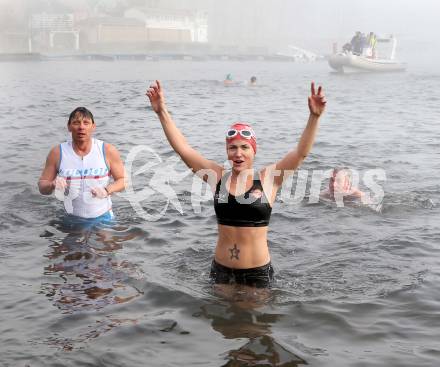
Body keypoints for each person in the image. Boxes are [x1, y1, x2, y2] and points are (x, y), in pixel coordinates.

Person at [146, 80, 326, 288]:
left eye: (244, 147)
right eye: (232, 148)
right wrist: (162, 112)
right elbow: (184, 150)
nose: (238, 153)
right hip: (221, 273)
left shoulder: (269, 178)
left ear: (253, 151)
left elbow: (300, 153)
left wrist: (314, 117)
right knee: (221, 321)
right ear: (227, 151)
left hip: (257, 275)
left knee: (251, 322)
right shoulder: (217, 177)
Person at [38, 107, 125, 222]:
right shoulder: (57, 153)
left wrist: (106, 190)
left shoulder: (107, 150)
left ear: (93, 127)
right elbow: (42, 187)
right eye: (76, 123)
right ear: (69, 127)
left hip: (103, 217)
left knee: (108, 238)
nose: (81, 127)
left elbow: (123, 181)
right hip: (71, 219)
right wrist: (52, 184)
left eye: (86, 123)